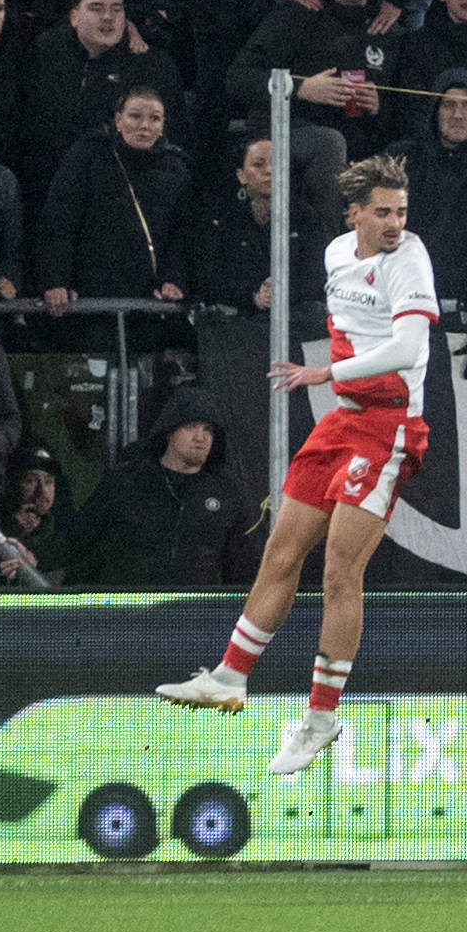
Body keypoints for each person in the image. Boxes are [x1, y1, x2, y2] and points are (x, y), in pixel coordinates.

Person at [153, 156, 440, 777]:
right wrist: (338, 381)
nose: (395, 223)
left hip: (389, 426)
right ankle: (230, 676)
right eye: (383, 212)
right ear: (355, 213)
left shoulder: (410, 260)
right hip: (343, 421)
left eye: (401, 212)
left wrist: (325, 372)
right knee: (280, 551)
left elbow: (409, 347)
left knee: (340, 572)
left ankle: (320, 719)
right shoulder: (337, 253)